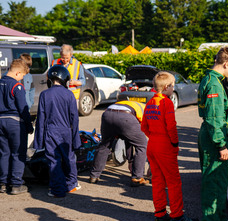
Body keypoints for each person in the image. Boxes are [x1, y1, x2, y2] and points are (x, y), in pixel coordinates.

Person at [141, 71, 197, 221]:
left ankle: (159, 213)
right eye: (172, 85)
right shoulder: (166, 103)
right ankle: (177, 216)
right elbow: (171, 126)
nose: (173, 88)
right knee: (173, 182)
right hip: (165, 145)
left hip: (152, 144)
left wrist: (153, 136)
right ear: (166, 87)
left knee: (157, 180)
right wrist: (174, 143)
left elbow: (143, 126)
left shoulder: (150, 102)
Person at [198, 47, 228, 221]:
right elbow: (214, 119)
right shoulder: (214, 85)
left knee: (220, 181)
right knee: (213, 185)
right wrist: (222, 145)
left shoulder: (210, 79)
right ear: (226, 64)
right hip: (213, 139)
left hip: (214, 136)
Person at [34, 65, 81, 198]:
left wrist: (39, 141)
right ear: (65, 78)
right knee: (69, 158)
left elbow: (41, 118)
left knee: (54, 160)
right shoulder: (69, 94)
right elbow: (75, 119)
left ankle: (57, 189)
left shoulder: (44, 94)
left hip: (51, 131)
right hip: (66, 131)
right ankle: (71, 184)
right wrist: (75, 138)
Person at [89, 100, 149, 186]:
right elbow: (137, 135)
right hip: (126, 117)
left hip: (108, 114)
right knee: (142, 145)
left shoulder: (131, 104)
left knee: (104, 145)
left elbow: (128, 139)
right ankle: (137, 178)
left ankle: (94, 176)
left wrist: (130, 161)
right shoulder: (146, 110)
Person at [0, 59, 34, 195]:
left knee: (3, 152)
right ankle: (16, 184)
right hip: (14, 123)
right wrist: (29, 125)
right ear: (18, 72)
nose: (22, 79)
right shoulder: (16, 86)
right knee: (18, 153)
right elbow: (23, 108)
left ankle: (3, 182)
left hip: (0, 122)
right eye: (22, 76)